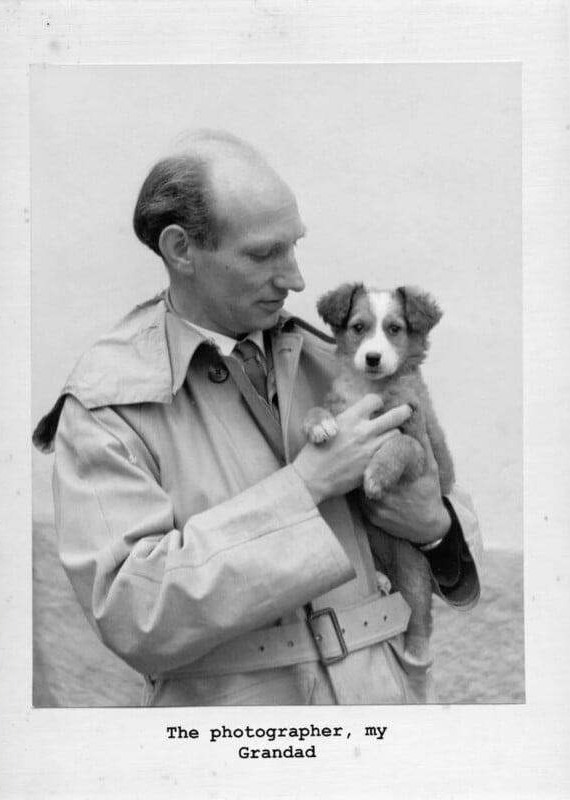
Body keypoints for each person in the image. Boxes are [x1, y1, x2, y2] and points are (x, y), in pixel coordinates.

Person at [33, 129, 481, 706]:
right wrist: (306, 485)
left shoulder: (343, 360)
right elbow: (131, 613)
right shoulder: (107, 402)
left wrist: (434, 524)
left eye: (293, 246)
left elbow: (447, 520)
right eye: (264, 253)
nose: (295, 278)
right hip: (233, 738)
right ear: (181, 250)